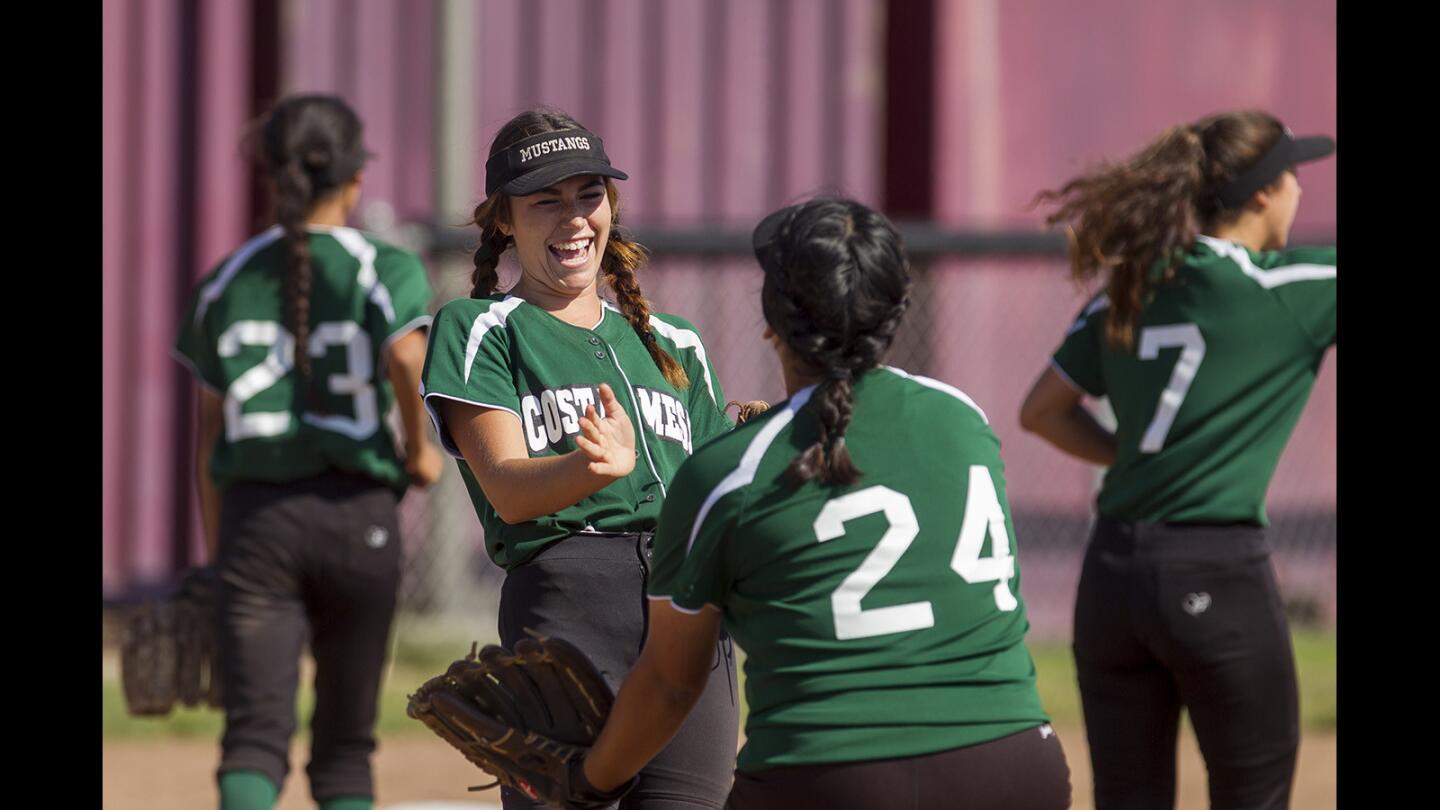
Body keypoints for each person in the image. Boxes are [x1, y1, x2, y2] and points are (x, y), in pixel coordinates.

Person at [570, 197, 1071, 810]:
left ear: (770, 322)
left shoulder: (729, 471)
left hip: (833, 776)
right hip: (1020, 765)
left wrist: (586, 781)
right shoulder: (964, 419)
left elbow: (673, 683)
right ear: (894, 313)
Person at [419, 108, 743, 809]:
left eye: (588, 195)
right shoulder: (480, 329)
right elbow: (506, 487)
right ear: (504, 220)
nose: (572, 219)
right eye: (545, 201)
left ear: (612, 205)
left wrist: (770, 445)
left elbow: (725, 496)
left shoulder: (675, 343)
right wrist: (589, 470)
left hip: (688, 608)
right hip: (569, 608)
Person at [1017, 110, 1336, 810]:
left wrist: (1129, 455)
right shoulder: (1288, 286)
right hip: (1216, 572)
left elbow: (1039, 410)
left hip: (1111, 578)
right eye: (1293, 178)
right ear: (1260, 194)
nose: (1300, 194)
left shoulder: (1130, 288)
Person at [174, 94, 442, 810]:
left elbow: (210, 431)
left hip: (258, 521)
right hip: (359, 517)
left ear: (272, 177)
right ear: (355, 178)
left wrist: (218, 553)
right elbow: (409, 363)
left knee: (254, 737)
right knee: (346, 750)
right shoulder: (380, 264)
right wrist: (421, 454)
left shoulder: (225, 281)